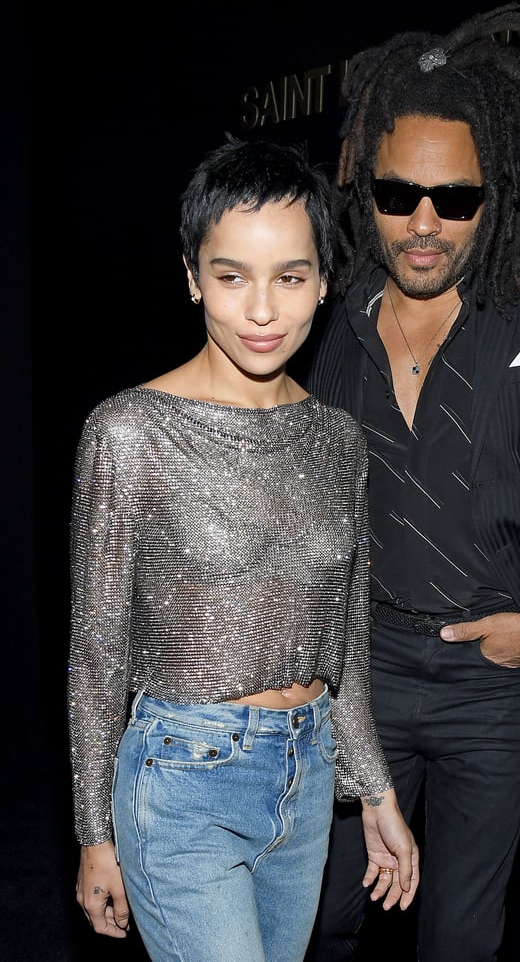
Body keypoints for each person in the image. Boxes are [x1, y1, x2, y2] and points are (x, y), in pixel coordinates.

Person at [301, 3, 520, 961]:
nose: (424, 223)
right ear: (366, 191)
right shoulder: (330, 313)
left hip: (495, 682)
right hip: (364, 671)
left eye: (456, 199)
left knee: (459, 937)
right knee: (324, 916)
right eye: (399, 194)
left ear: (499, 197)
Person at [67, 134, 419, 962]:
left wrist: (374, 790)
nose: (262, 310)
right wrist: (92, 834)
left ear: (325, 282)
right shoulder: (129, 431)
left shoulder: (338, 442)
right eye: (231, 276)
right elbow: (96, 653)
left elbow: (346, 650)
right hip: (181, 780)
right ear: (192, 277)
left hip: (306, 785)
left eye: (290, 277)